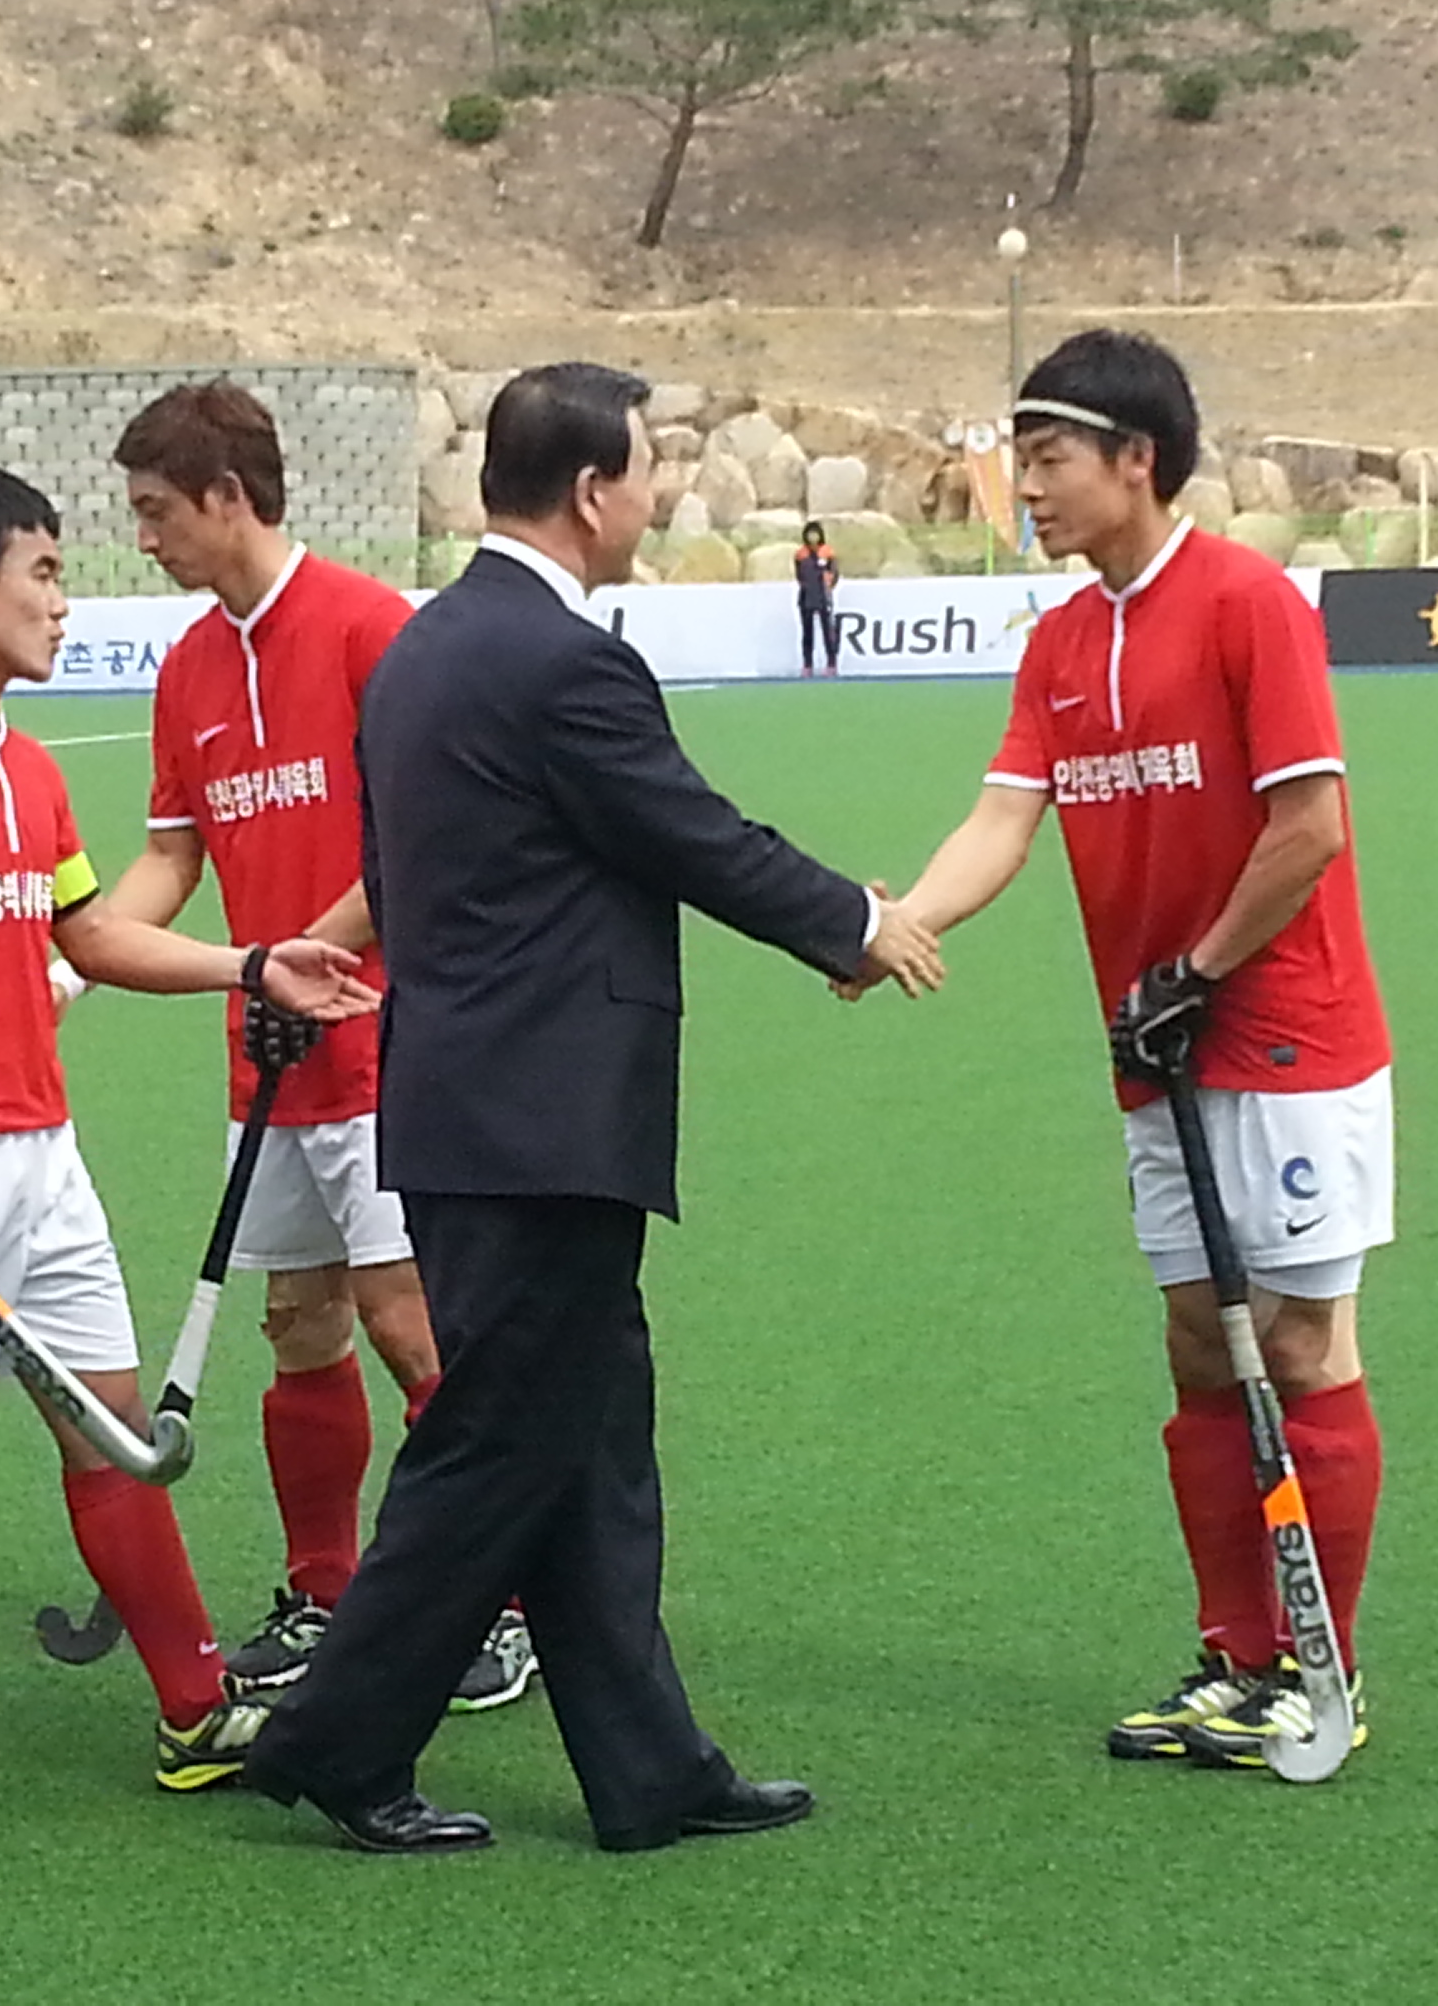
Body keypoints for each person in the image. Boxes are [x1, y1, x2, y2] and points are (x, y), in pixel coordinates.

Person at [244, 363, 946, 1856]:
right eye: (645, 472)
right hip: (544, 1123)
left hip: (468, 1107)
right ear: (589, 492)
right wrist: (855, 921)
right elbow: (688, 831)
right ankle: (338, 1741)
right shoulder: (564, 662)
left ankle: (650, 1770)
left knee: (588, 1444)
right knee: (501, 1442)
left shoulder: (422, 650)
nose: (656, 496)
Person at [0, 462, 376, 1809]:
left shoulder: (26, 768)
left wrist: (252, 966)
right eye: (42, 572)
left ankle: (195, 1712)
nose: (63, 600)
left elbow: (89, 936)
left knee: (108, 1427)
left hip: (43, 1154)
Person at [876, 329, 1392, 1767]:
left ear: (1136, 460)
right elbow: (1004, 817)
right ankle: (1234, 1658)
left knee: (1298, 1342)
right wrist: (895, 925)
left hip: (1284, 1037)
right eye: (1022, 460)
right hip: (1157, 1044)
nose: (1028, 489)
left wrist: (1201, 968)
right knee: (1195, 1344)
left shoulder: (1246, 605)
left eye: (1048, 460)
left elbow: (1309, 828)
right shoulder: (1058, 643)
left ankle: (1323, 1671)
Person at [104, 378, 533, 1712]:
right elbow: (174, 856)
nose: (146, 539)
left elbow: (425, 837)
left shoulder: (367, 628)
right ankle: (326, 1593)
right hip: (270, 1054)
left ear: (229, 497)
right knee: (300, 1323)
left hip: (389, 1047)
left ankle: (507, 1602)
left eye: (159, 512)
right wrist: (70, 951)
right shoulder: (187, 668)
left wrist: (308, 956)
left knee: (412, 1328)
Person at [794, 520, 840, 677]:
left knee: (828, 632)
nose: (812, 537)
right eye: (810, 534)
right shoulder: (800, 554)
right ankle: (807, 665)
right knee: (807, 633)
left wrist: (828, 587)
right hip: (806, 597)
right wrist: (807, 586)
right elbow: (799, 575)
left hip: (823, 596)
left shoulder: (827, 552)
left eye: (815, 534)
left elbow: (834, 573)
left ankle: (831, 664)